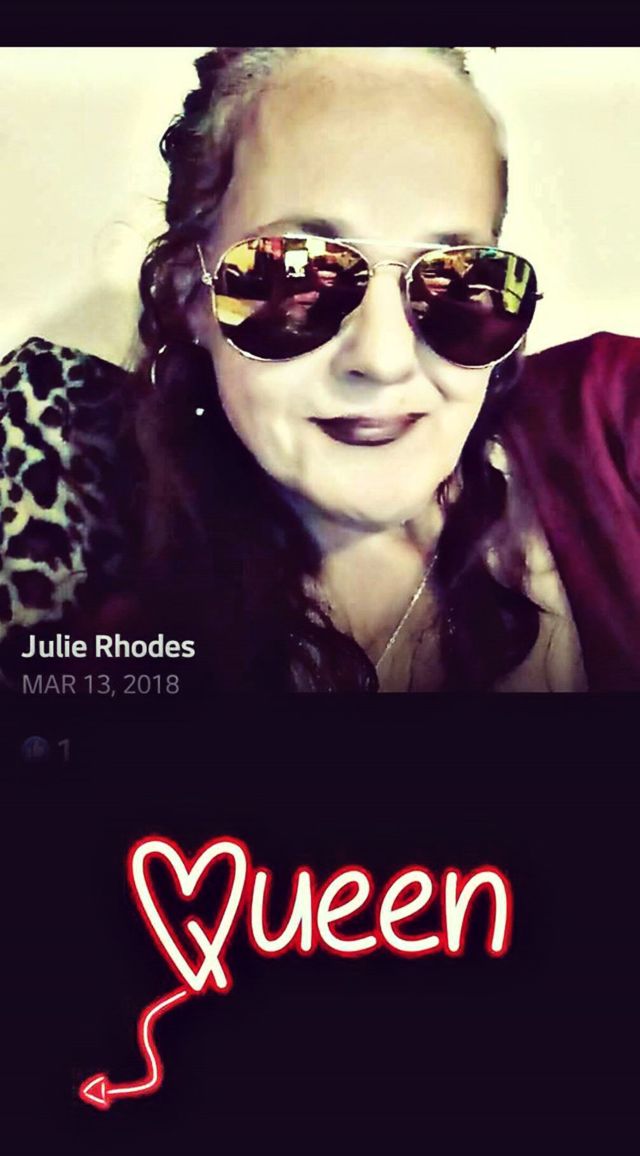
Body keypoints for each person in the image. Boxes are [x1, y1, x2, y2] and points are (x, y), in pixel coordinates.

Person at [1, 46, 639, 692]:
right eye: (296, 275)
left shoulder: (611, 415)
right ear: (190, 294)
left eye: (455, 278)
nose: (384, 360)